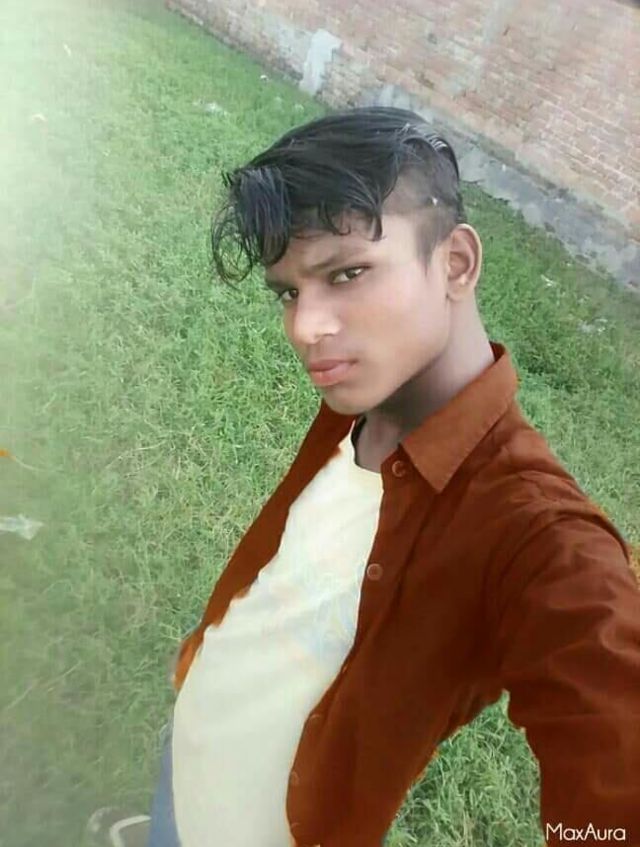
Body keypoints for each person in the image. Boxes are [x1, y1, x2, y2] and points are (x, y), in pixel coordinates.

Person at [91, 106, 640, 847]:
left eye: (347, 274)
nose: (304, 327)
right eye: (288, 292)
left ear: (455, 263)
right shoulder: (365, 395)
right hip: (190, 745)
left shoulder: (541, 536)